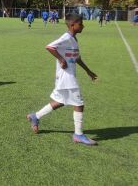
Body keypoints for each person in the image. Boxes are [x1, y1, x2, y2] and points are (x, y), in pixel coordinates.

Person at [27, 13, 98, 145]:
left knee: (60, 101)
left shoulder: (74, 39)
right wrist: (61, 59)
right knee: (79, 104)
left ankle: (35, 116)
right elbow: (49, 46)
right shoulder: (66, 37)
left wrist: (88, 71)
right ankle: (78, 135)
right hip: (67, 76)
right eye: (80, 24)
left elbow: (76, 58)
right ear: (72, 25)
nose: (83, 26)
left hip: (67, 76)